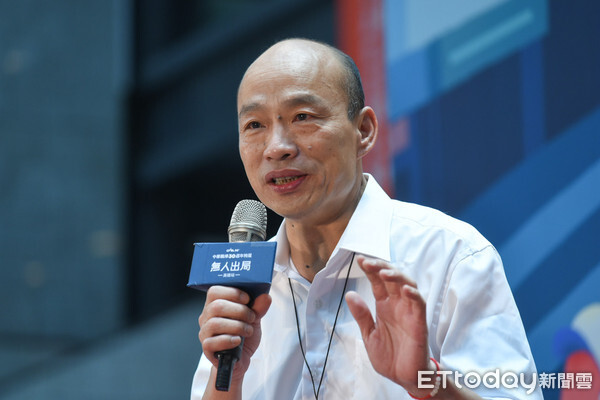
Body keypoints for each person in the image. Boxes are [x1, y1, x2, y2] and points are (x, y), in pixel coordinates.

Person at [191, 38, 542, 399]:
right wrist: (228, 377)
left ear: (364, 131)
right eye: (254, 125)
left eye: (302, 117)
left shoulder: (450, 255)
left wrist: (426, 383)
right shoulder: (243, 292)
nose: (276, 147)